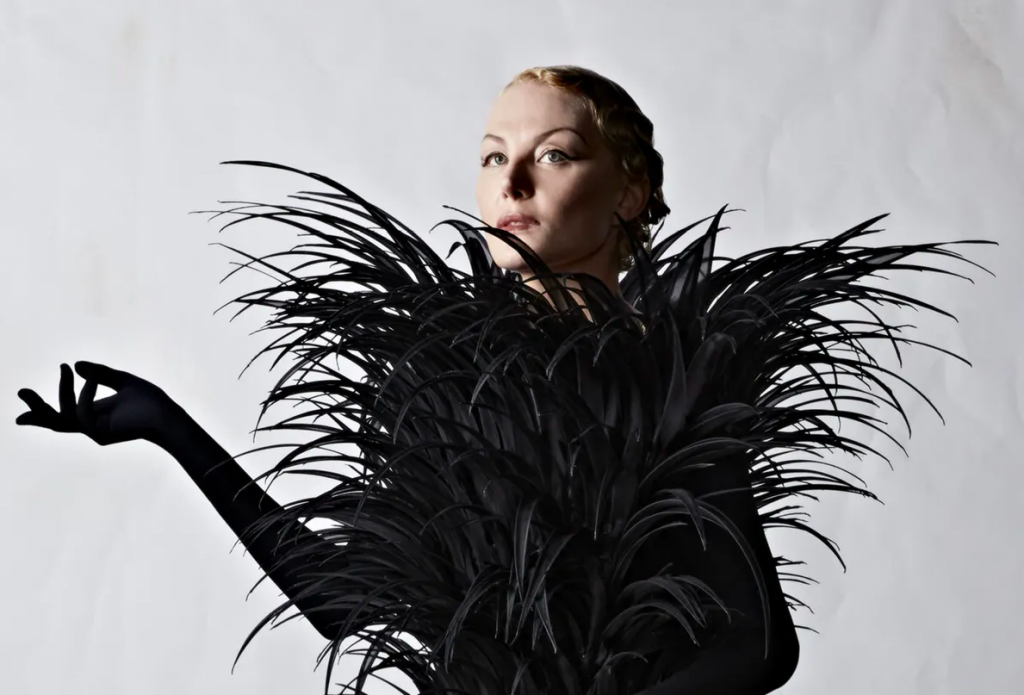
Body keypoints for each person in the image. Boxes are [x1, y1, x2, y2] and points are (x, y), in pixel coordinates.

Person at [14, 65, 988, 695]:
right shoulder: (445, 385)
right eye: (493, 158)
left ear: (630, 191)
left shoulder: (672, 374)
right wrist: (170, 428)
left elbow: (757, 644)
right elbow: (346, 602)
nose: (511, 184)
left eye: (553, 154)